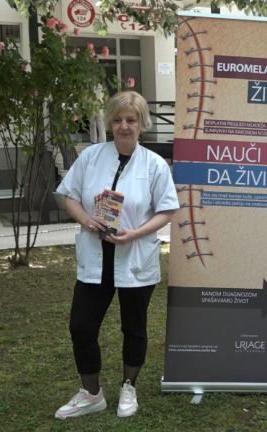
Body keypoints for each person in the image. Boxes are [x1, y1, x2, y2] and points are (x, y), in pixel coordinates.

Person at [54, 91, 179, 420]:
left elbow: (167, 210)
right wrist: (86, 219)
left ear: (142, 124)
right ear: (110, 123)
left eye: (131, 120)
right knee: (81, 327)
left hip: (135, 256)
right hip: (95, 259)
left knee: (134, 328)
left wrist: (135, 233)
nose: (124, 126)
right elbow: (68, 196)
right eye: (118, 120)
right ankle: (92, 394)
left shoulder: (154, 165)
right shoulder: (91, 157)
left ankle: (128, 387)